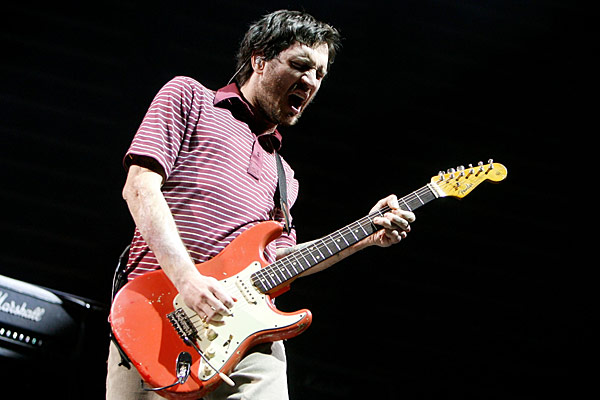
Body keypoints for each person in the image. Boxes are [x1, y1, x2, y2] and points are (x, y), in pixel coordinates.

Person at [106, 9, 415, 400]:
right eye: (300, 65)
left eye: (320, 74)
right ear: (259, 60)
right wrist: (188, 280)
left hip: (248, 335)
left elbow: (279, 263)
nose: (311, 81)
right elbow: (140, 188)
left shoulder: (285, 176)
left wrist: (364, 236)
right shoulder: (190, 98)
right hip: (160, 317)